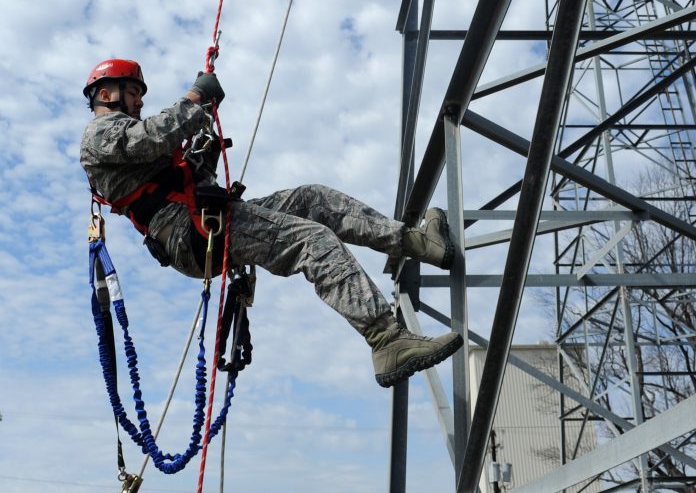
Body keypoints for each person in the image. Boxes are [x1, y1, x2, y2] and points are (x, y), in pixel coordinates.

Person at [80, 58, 463, 388]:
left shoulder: (120, 139)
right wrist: (195, 99)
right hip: (190, 232)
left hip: (198, 220)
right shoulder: (99, 133)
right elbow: (150, 137)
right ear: (107, 93)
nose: (140, 100)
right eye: (133, 91)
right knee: (313, 241)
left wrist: (202, 149)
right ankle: (387, 341)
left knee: (313, 200)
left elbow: (168, 169)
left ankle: (418, 242)